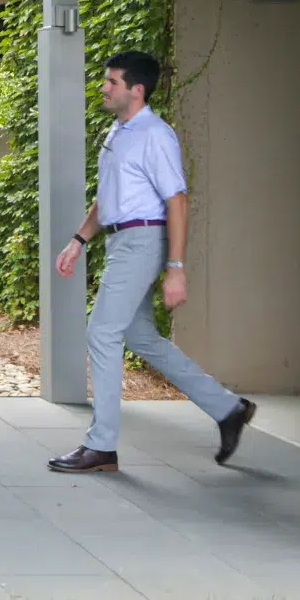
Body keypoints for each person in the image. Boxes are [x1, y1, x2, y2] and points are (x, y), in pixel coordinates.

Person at [47, 50, 255, 474]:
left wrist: (175, 267)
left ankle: (101, 446)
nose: (104, 88)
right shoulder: (117, 133)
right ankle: (229, 408)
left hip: (144, 239)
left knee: (103, 332)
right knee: (140, 337)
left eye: (112, 83)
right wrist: (78, 240)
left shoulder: (156, 135)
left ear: (136, 90)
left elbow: (177, 201)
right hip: (121, 240)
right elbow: (107, 200)